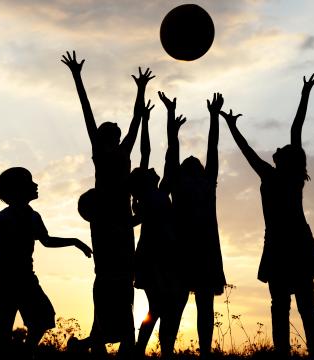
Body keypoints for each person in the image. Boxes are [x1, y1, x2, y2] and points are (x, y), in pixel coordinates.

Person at [221, 73, 314, 359]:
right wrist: (304, 94)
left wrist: (231, 126)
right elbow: (295, 128)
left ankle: (288, 352)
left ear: (288, 159)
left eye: (281, 150)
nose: (276, 149)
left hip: (283, 243)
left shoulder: (275, 175)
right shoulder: (289, 177)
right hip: (296, 242)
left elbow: (288, 132)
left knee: (285, 304)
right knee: (304, 302)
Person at [62, 50, 154, 358]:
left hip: (122, 220)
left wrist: (141, 90)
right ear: (102, 138)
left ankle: (110, 341)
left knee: (123, 282)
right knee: (107, 278)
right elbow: (87, 113)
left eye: (115, 134)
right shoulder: (99, 153)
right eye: (109, 134)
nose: (113, 136)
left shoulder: (123, 152)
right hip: (105, 220)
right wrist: (77, 77)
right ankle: (101, 340)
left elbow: (136, 120)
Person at [0, 167, 92, 357]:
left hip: (26, 277)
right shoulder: (4, 217)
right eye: (30, 183)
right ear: (16, 191)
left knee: (43, 317)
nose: (36, 185)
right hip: (4, 280)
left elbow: (46, 240)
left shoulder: (33, 216)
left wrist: (75, 242)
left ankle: (27, 352)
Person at [159, 91, 227, 358]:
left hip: (203, 250)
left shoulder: (207, 182)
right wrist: (171, 119)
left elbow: (212, 148)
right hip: (187, 249)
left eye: (193, 162)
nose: (191, 161)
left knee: (201, 304)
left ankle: (205, 351)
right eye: (189, 163)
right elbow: (173, 152)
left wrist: (214, 117)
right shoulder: (183, 182)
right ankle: (167, 350)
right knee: (178, 304)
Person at [129, 100, 187, 359]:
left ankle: (156, 351)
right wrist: (148, 121)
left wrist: (160, 121)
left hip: (164, 256)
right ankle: (143, 350)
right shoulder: (152, 196)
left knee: (165, 307)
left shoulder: (155, 194)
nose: (153, 170)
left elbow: (163, 157)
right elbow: (156, 156)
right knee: (162, 306)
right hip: (156, 258)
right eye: (148, 170)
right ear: (142, 181)